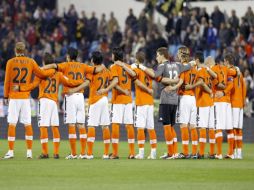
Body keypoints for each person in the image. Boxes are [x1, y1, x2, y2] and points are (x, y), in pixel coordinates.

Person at [16, 53, 83, 159]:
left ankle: (45, 152)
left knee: (43, 126)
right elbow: (69, 82)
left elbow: (33, 85)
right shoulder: (58, 74)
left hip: (44, 101)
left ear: (44, 62)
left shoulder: (41, 73)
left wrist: (21, 88)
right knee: (55, 127)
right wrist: (81, 81)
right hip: (53, 102)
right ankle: (56, 153)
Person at [42, 47, 105, 159]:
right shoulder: (83, 66)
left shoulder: (65, 65)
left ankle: (74, 153)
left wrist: (41, 67)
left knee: (71, 124)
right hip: (80, 96)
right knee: (81, 124)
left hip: (70, 97)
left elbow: (53, 66)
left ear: (68, 56)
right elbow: (98, 69)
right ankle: (83, 153)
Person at [139, 47, 195, 159]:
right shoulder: (177, 65)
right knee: (171, 127)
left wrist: (142, 67)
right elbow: (190, 64)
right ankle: (173, 152)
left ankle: (170, 153)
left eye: (157, 55)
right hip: (175, 100)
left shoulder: (162, 66)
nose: (156, 58)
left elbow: (154, 75)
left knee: (166, 127)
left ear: (162, 55)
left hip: (165, 99)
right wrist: (193, 62)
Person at [3, 42, 55, 159]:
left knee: (12, 124)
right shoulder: (30, 61)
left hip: (14, 97)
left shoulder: (10, 62)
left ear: (15, 50)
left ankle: (11, 152)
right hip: (25, 97)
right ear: (24, 50)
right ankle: (29, 152)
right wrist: (52, 71)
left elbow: (7, 81)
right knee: (27, 124)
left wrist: (6, 96)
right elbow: (41, 73)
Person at [68, 51, 111, 159]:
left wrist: (75, 89)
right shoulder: (106, 70)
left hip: (95, 99)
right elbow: (111, 81)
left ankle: (90, 153)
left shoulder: (91, 71)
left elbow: (87, 83)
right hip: (105, 98)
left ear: (93, 60)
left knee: (91, 125)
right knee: (105, 126)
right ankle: (106, 154)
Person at [97, 47, 136, 159]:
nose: (111, 56)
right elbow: (134, 75)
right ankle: (132, 153)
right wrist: (124, 65)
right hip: (128, 100)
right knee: (129, 126)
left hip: (118, 100)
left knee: (115, 125)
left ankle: (115, 153)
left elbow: (115, 82)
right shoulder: (128, 66)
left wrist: (106, 90)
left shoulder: (113, 66)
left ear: (115, 56)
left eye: (112, 54)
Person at [169, 46, 199, 159]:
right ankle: (195, 152)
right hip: (193, 98)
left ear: (181, 54)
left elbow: (180, 81)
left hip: (184, 98)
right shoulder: (194, 68)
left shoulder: (183, 67)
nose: (177, 55)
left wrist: (173, 87)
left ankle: (185, 152)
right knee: (192, 126)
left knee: (183, 125)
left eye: (178, 53)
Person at [131, 51, 157, 159]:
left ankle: (141, 153)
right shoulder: (148, 70)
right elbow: (153, 74)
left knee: (140, 128)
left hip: (141, 102)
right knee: (151, 128)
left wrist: (132, 67)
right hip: (149, 102)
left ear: (136, 60)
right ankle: (153, 152)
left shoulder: (136, 70)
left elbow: (137, 82)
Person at [213, 53, 238, 159]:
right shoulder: (229, 71)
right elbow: (231, 84)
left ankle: (218, 153)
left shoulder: (218, 69)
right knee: (229, 128)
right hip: (228, 102)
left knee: (218, 126)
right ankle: (231, 153)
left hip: (219, 100)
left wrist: (222, 93)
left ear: (226, 61)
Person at [230, 64, 246, 159]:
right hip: (240, 104)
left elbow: (231, 88)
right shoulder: (241, 74)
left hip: (234, 103)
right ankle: (239, 152)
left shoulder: (232, 74)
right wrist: (243, 101)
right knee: (239, 130)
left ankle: (233, 152)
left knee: (233, 129)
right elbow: (244, 87)